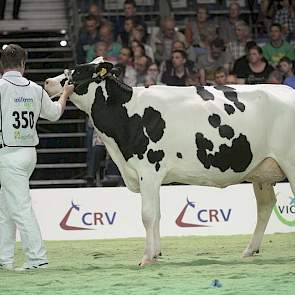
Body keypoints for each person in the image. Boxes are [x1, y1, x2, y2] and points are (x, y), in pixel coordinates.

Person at [0, 44, 74, 271]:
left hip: (8, 153)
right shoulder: (34, 88)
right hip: (28, 153)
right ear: (23, 64)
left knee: (20, 208)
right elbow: (54, 114)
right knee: (7, 208)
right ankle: (4, 258)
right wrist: (65, 95)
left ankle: (37, 258)